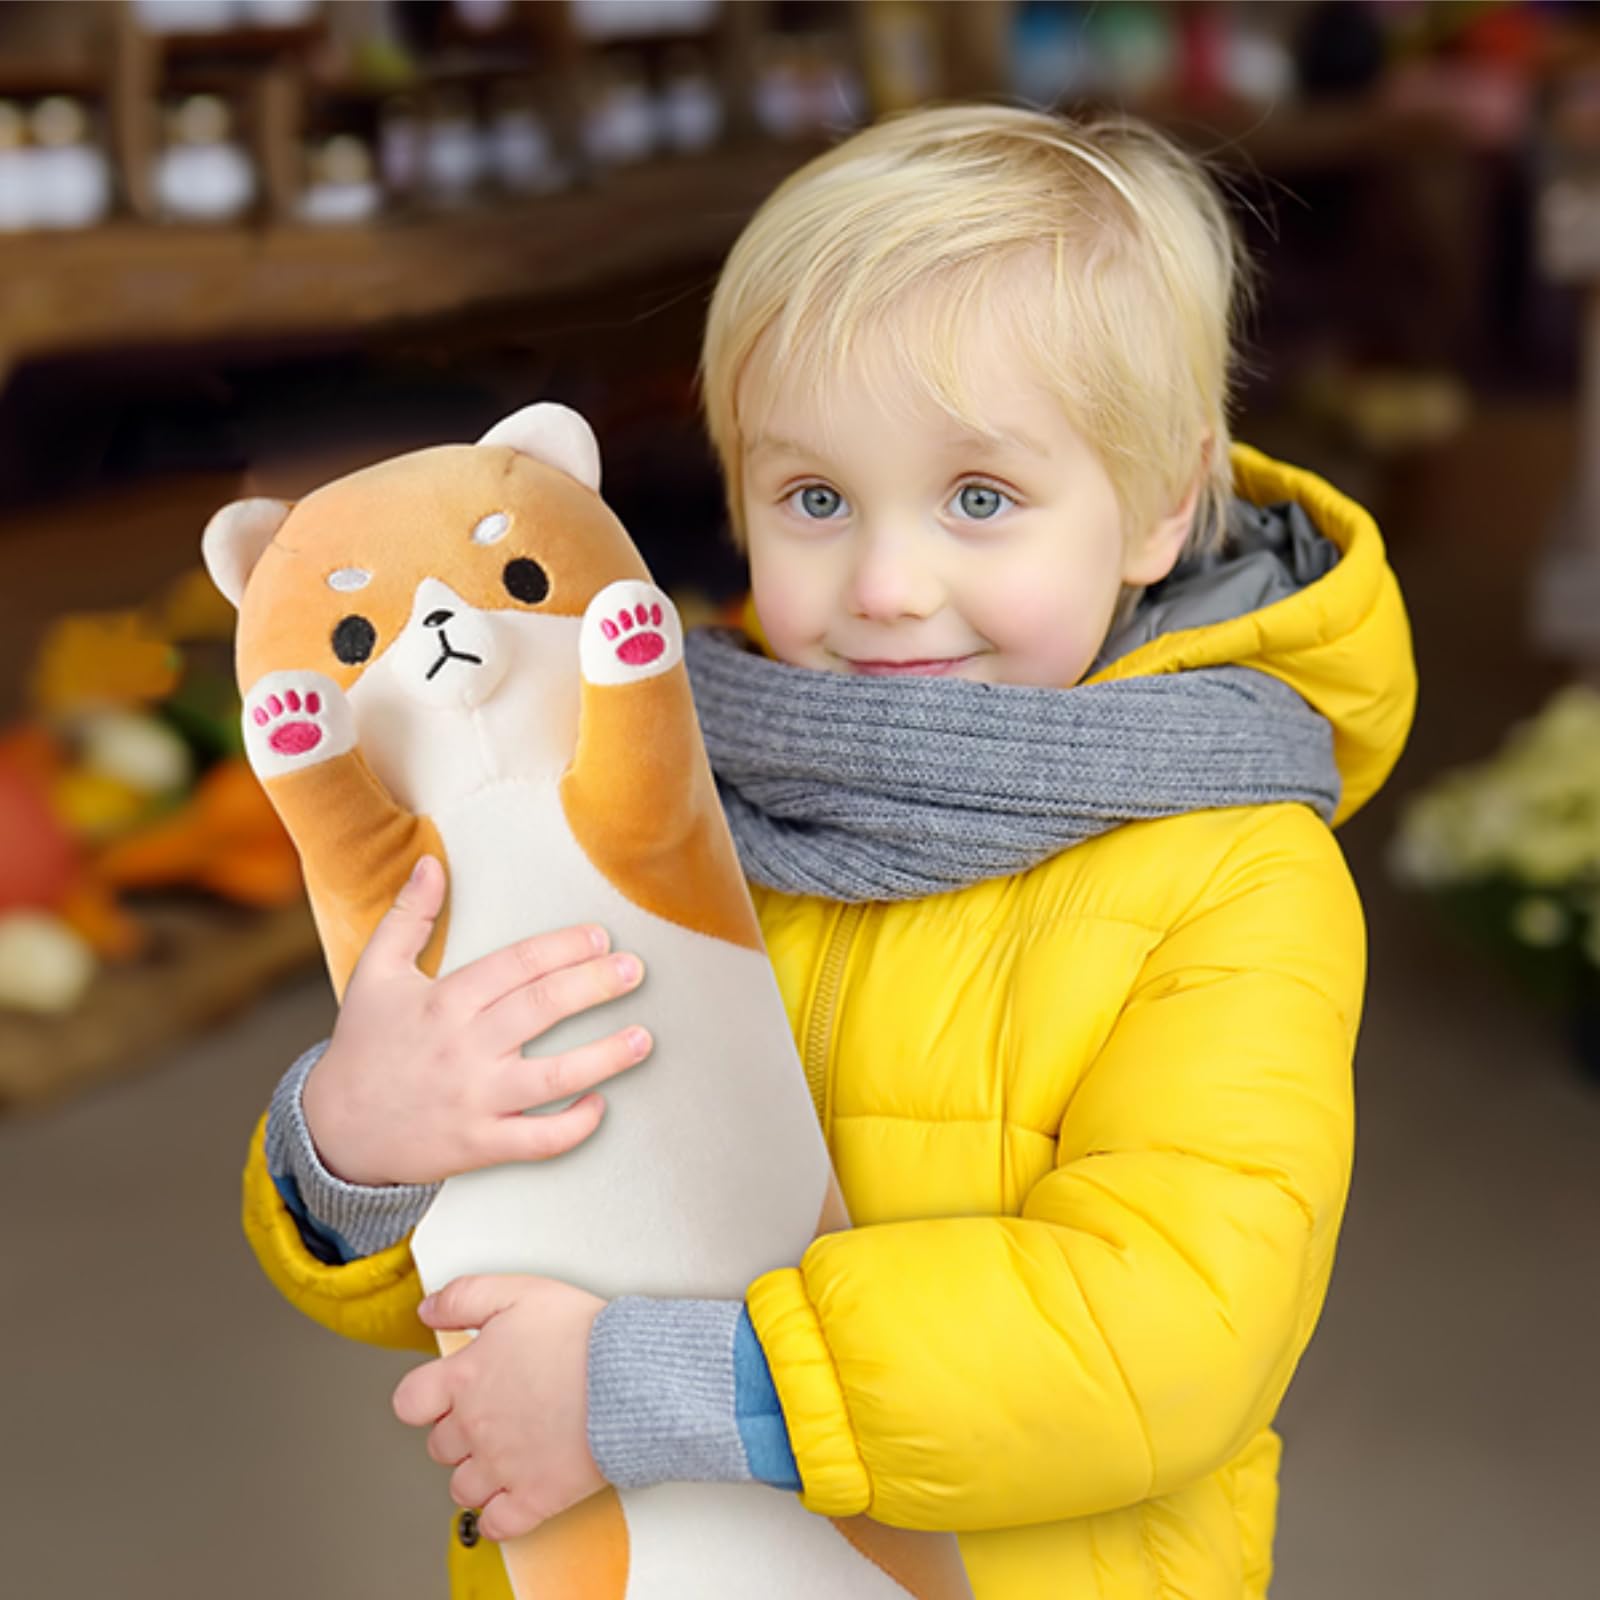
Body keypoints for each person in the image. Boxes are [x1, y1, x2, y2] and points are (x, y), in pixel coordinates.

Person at [244, 104, 1415, 1599]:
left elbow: (1166, 1335)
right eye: (814, 498)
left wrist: (633, 1390)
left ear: (1158, 506)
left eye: (980, 499)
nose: (885, 583)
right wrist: (354, 1148)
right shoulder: (626, 783)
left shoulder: (1232, 876)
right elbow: (484, 1278)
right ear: (736, 496)